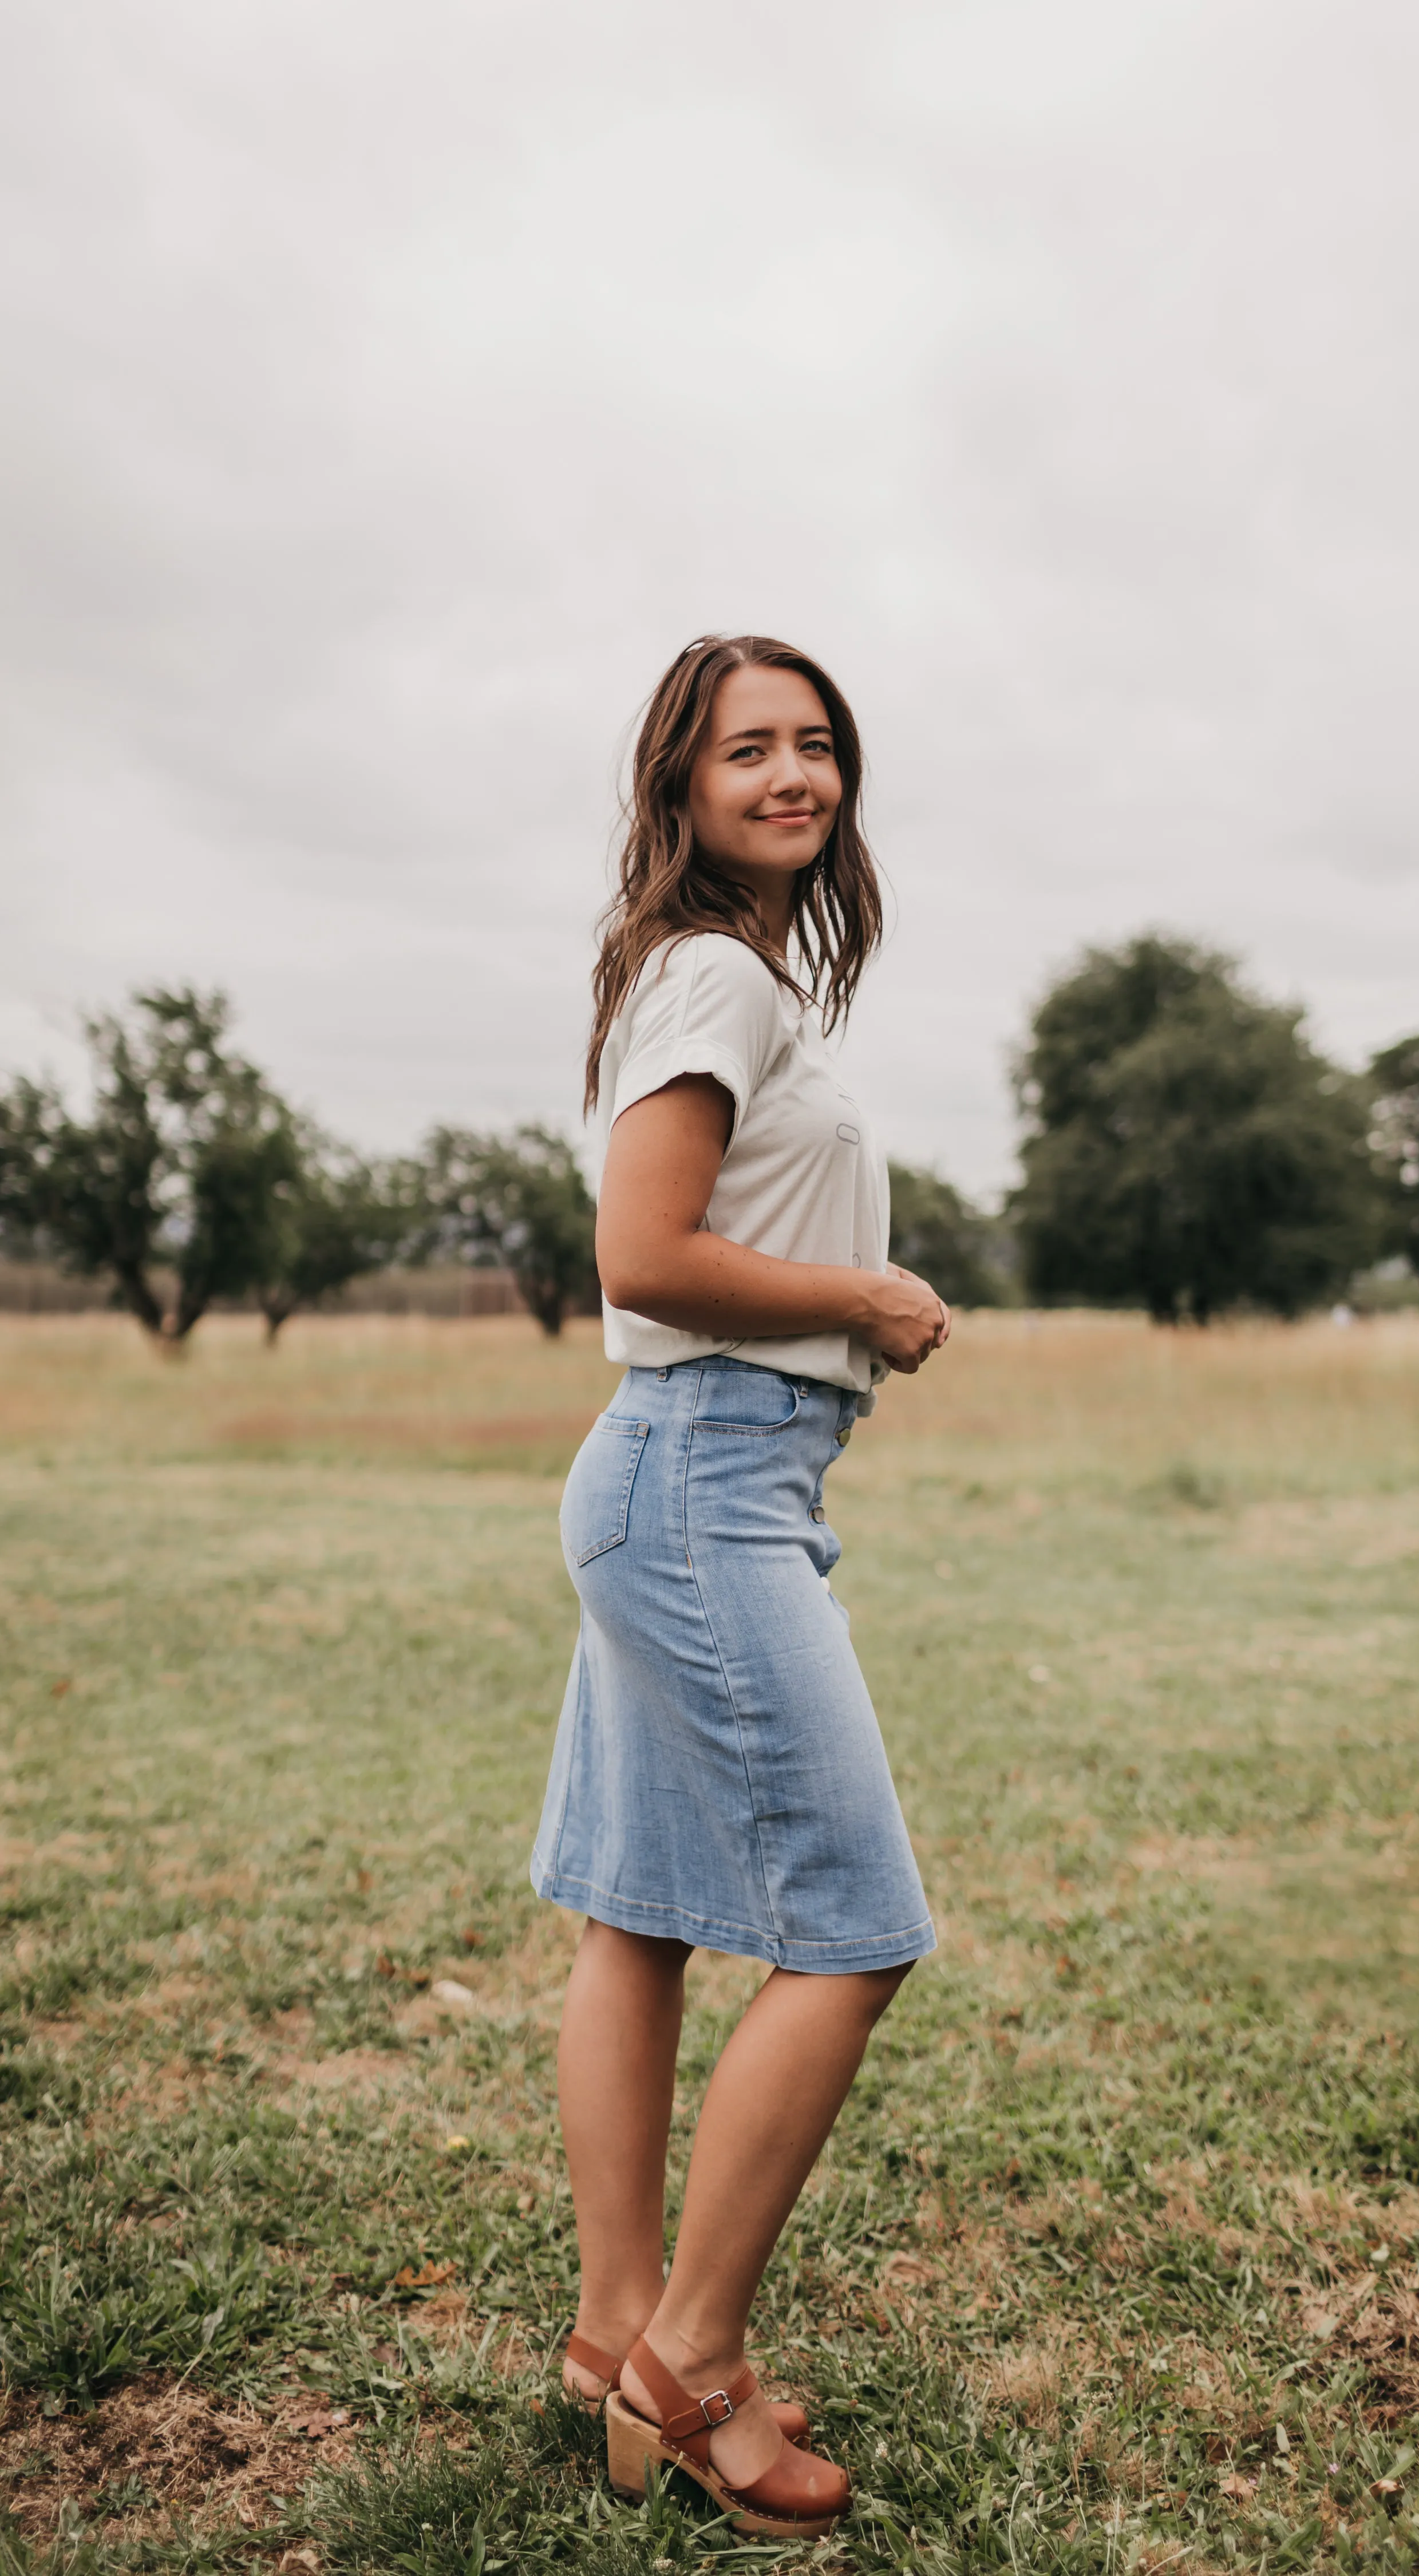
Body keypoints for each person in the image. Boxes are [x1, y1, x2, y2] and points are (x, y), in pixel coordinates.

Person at [529, 633, 950, 2540]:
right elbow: (647, 1249)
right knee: (852, 1927)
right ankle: (698, 2368)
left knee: (637, 1908)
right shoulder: (710, 969)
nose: (790, 775)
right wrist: (866, 1294)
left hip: (675, 1474)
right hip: (703, 1473)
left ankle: (621, 2335)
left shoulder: (721, 973)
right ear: (682, 788)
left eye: (814, 746)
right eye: (746, 751)